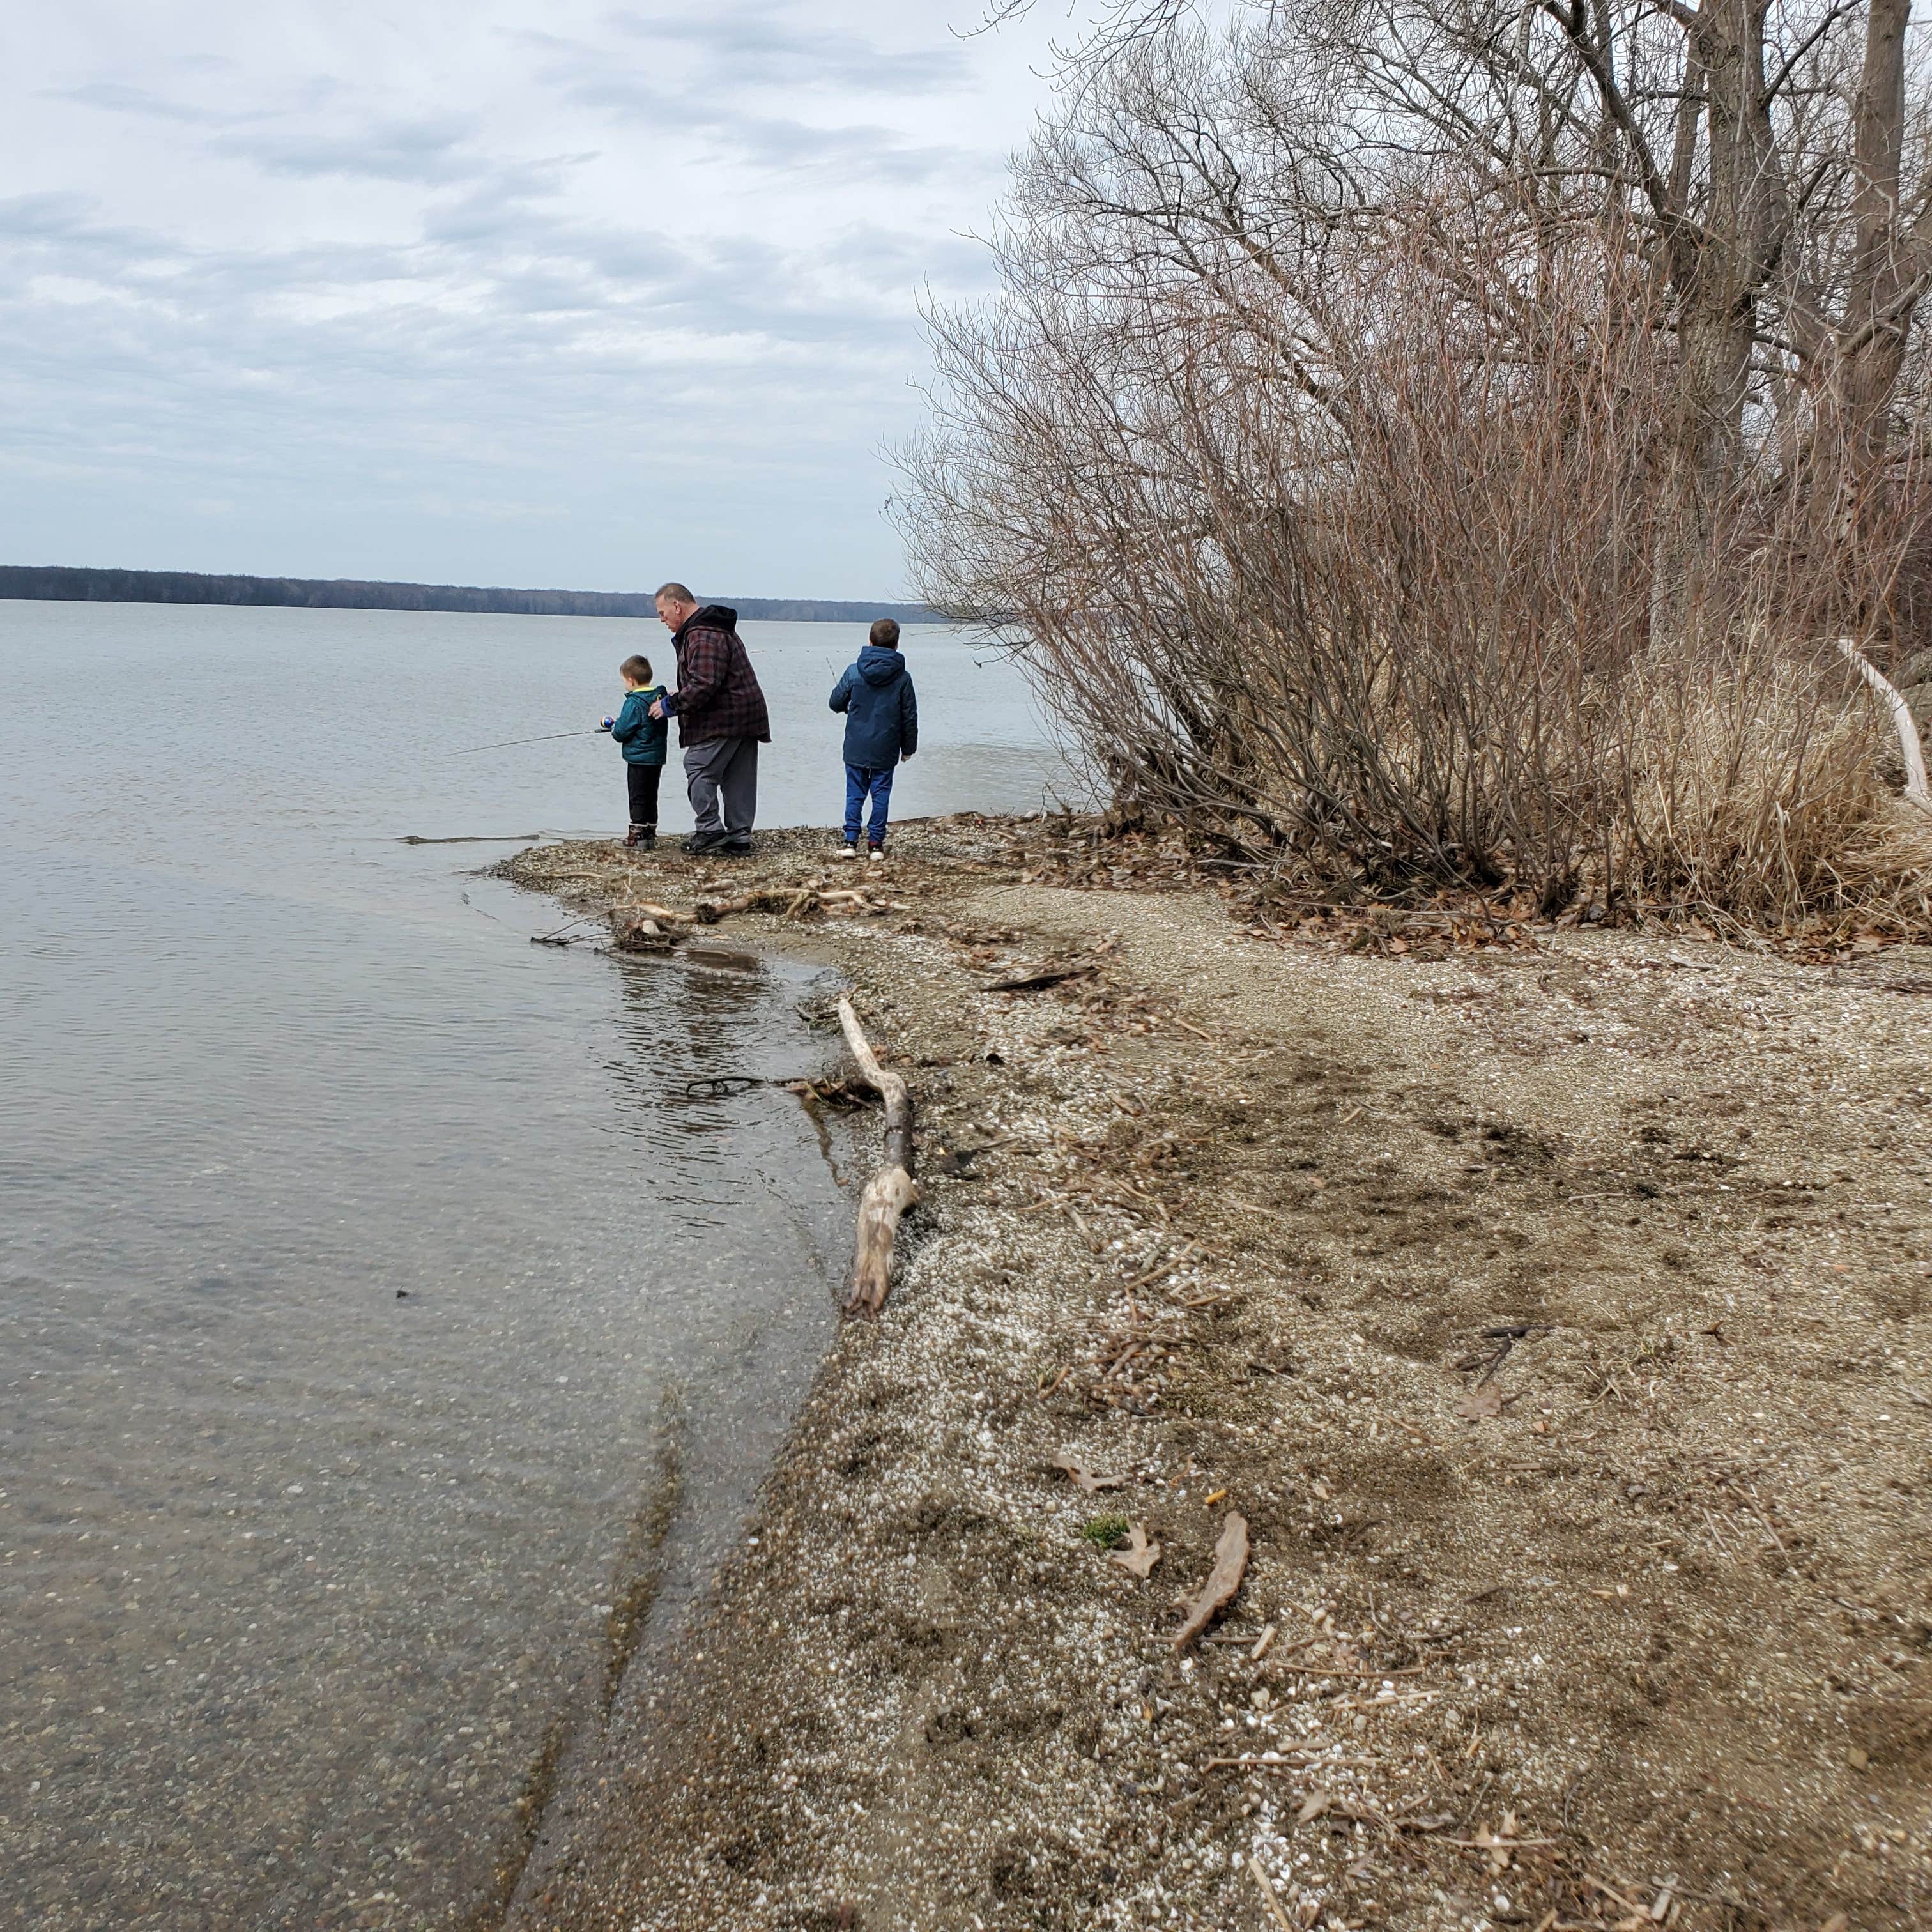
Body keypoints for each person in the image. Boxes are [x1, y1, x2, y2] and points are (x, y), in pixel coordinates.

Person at [648, 585, 770, 855]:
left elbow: (705, 683)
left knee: (697, 766)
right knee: (738, 776)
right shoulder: (713, 629)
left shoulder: (702, 634)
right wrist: (682, 693)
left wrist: (670, 705)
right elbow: (710, 679)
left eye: (662, 613)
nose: (662, 620)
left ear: (677, 606)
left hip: (725, 717)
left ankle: (709, 829)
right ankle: (739, 837)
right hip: (747, 713)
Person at [827, 617, 918, 861]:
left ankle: (850, 841)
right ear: (896, 645)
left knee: (854, 794)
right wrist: (908, 748)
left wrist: (847, 705)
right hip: (886, 747)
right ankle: (876, 845)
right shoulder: (903, 678)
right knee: (881, 794)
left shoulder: (854, 671)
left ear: (870, 641)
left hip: (857, 745)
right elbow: (910, 717)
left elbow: (835, 702)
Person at [597, 653, 668, 848]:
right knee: (651, 796)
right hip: (656, 758)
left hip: (638, 759)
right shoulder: (660, 698)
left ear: (631, 680)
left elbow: (621, 732)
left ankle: (636, 839)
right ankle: (650, 836)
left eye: (624, 681)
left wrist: (614, 726)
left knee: (637, 797)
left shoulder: (633, 702)